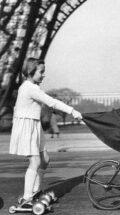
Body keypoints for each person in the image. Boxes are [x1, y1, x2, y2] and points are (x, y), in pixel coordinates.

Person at [9, 57, 82, 207]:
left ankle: (35, 191)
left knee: (45, 160)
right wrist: (72, 110)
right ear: (31, 71)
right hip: (26, 127)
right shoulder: (29, 88)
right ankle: (26, 198)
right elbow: (51, 102)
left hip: (34, 125)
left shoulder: (31, 86)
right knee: (35, 161)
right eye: (41, 72)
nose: (43, 75)